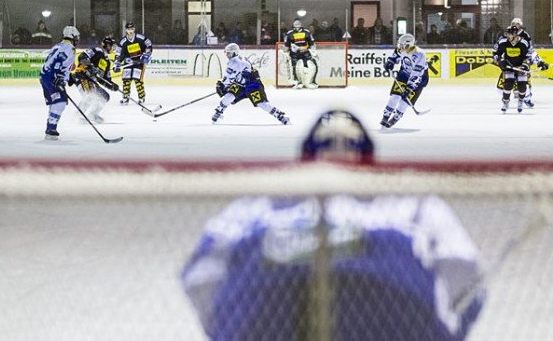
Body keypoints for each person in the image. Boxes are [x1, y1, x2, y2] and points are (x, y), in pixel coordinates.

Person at [182, 109, 484, 341]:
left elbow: (202, 276)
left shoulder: (260, 204)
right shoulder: (411, 204)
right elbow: (465, 275)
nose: (339, 150)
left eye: (347, 143)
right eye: (330, 143)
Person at [212, 43, 290, 125]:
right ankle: (219, 112)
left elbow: (228, 77)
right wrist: (224, 85)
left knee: (261, 104)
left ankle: (279, 116)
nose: (227, 55)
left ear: (235, 53)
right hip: (240, 85)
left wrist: (222, 85)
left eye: (229, 53)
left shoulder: (235, 62)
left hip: (252, 85)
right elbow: (233, 76)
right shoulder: (239, 59)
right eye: (227, 53)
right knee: (229, 96)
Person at [39, 26, 80, 140]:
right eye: (76, 37)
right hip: (52, 77)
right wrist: (58, 76)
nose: (77, 40)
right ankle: (51, 128)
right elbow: (59, 61)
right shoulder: (69, 47)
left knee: (55, 102)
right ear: (72, 36)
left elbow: (60, 63)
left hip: (45, 76)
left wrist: (68, 77)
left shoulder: (58, 45)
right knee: (60, 102)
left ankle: (50, 128)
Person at [380, 33, 429, 128]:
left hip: (420, 78)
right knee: (394, 97)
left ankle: (395, 118)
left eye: (403, 45)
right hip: (404, 74)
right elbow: (395, 56)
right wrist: (390, 62)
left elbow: (417, 74)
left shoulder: (420, 55)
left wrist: (410, 87)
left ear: (409, 45)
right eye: (400, 45)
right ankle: (385, 116)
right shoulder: (401, 49)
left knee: (404, 101)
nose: (401, 47)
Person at [71, 37, 120, 124]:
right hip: (82, 76)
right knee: (90, 96)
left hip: (91, 81)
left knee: (104, 96)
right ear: (108, 46)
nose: (114, 48)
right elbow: (82, 57)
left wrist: (112, 86)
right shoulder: (98, 50)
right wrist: (90, 66)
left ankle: (92, 114)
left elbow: (104, 79)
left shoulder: (107, 62)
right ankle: (79, 115)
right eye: (112, 46)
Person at [492, 25, 536, 113]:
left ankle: (520, 101)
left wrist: (525, 65)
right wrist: (501, 61)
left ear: (515, 34)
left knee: (522, 86)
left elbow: (529, 56)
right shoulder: (502, 42)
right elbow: (496, 53)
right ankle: (505, 102)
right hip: (509, 66)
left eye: (510, 34)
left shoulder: (523, 43)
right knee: (508, 84)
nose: (508, 36)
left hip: (520, 67)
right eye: (507, 33)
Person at [507, 17, 548, 108]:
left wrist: (539, 61)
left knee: (526, 80)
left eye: (517, 24)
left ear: (520, 25)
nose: (515, 26)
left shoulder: (525, 35)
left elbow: (530, 50)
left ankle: (527, 98)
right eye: (514, 24)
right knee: (508, 82)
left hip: (523, 60)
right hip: (512, 60)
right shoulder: (508, 33)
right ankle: (514, 93)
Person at [113, 22, 152, 105]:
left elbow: (148, 46)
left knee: (138, 80)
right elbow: (119, 54)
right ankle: (125, 97)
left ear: (134, 29)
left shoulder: (140, 38)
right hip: (128, 63)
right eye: (128, 29)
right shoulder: (123, 41)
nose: (130, 31)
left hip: (139, 63)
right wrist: (117, 63)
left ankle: (141, 97)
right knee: (126, 81)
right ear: (126, 30)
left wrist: (145, 56)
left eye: (131, 29)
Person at [283, 19, 318, 89]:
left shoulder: (307, 32)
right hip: (294, 53)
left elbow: (312, 43)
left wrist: (313, 51)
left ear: (301, 24)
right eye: (295, 23)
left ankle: (312, 81)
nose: (297, 24)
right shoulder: (289, 33)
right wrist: (286, 52)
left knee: (313, 65)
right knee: (296, 67)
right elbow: (286, 45)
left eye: (298, 23)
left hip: (306, 52)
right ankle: (298, 82)